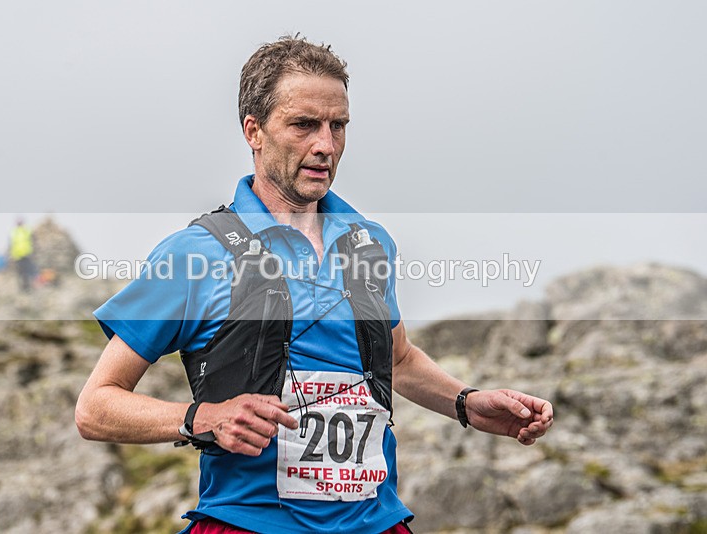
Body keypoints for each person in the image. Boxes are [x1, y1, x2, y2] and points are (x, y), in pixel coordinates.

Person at [75, 36, 554, 534]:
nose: (325, 145)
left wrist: (466, 402)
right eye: (304, 125)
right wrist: (204, 416)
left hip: (377, 521)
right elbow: (95, 406)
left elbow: (397, 358)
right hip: (249, 524)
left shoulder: (370, 243)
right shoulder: (196, 253)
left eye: (338, 125)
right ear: (253, 131)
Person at [9, 217, 35, 292]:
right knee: (20, 273)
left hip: (26, 254)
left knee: (27, 272)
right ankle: (22, 288)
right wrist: (12, 255)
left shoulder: (26, 231)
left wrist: (32, 251)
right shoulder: (14, 232)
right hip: (18, 256)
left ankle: (28, 287)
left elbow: (32, 241)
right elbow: (11, 245)